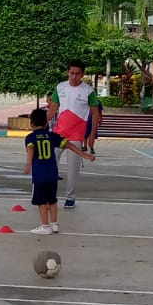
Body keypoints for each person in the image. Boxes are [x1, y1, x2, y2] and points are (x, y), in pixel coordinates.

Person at [24, 108, 92, 233]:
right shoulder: (52, 136)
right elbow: (69, 145)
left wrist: (28, 165)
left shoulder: (30, 138)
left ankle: (45, 226)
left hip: (40, 175)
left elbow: (30, 150)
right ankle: (54, 224)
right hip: (52, 174)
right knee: (52, 200)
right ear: (46, 123)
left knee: (41, 202)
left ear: (31, 124)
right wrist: (83, 154)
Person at [47, 60, 102, 209]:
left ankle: (70, 198)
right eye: (71, 73)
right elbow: (53, 108)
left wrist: (92, 135)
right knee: (50, 165)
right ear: (68, 72)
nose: (74, 77)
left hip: (76, 136)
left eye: (77, 74)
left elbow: (95, 113)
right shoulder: (60, 87)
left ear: (82, 74)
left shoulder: (88, 91)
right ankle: (48, 196)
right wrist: (41, 124)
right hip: (58, 134)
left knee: (72, 169)